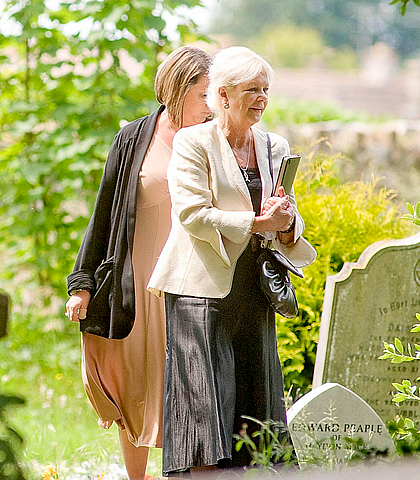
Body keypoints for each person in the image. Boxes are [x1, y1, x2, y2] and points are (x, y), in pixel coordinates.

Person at [148, 46, 316, 477]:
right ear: (222, 96)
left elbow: (285, 210)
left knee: (255, 402)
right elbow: (191, 214)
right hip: (198, 289)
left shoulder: (275, 146)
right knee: (204, 406)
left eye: (266, 90)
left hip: (254, 287)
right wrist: (257, 220)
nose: (261, 99)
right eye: (251, 90)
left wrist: (284, 225)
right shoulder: (192, 142)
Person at [65, 46, 212, 480]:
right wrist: (82, 283)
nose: (211, 105)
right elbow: (104, 212)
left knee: (188, 382)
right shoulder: (133, 138)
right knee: (134, 383)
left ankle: (180, 473)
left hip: (193, 280)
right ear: (178, 89)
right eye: (205, 95)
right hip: (137, 280)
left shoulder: (213, 139)